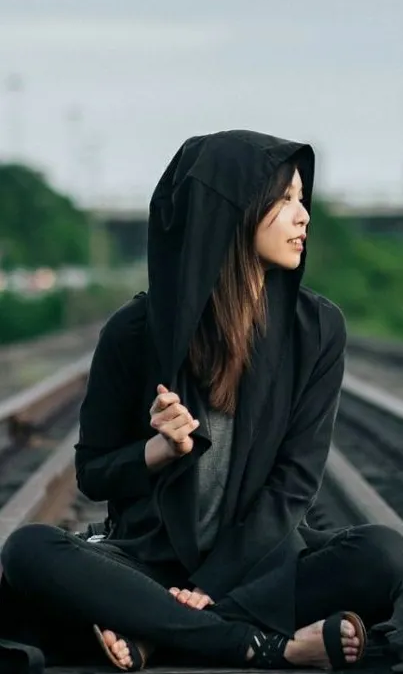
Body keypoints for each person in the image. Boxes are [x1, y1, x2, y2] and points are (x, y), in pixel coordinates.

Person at [1, 130, 403, 674]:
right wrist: (157, 452)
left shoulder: (317, 328)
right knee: (28, 550)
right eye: (284, 200)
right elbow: (95, 474)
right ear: (232, 211)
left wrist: (211, 588)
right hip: (146, 565)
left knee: (384, 553)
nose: (303, 216)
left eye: (302, 199)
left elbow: (295, 484)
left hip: (260, 568)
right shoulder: (134, 333)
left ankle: (156, 633)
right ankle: (262, 647)